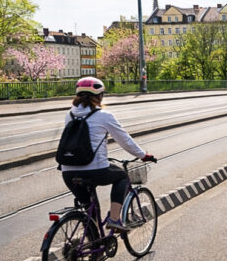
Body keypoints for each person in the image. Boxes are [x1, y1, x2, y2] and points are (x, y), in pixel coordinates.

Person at [60, 77, 156, 232]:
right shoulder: (104, 116)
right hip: (95, 169)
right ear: (100, 96)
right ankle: (114, 219)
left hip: (68, 172)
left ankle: (93, 245)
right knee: (122, 177)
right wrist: (143, 155)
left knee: (90, 209)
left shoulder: (69, 115)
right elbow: (125, 140)